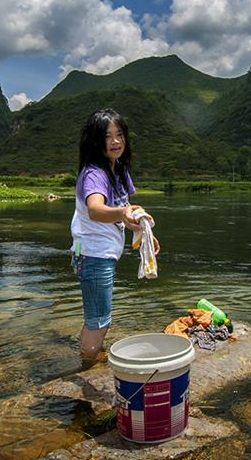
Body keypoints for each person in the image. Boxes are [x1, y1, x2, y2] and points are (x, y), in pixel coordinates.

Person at [70, 108, 160, 363]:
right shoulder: (95, 173)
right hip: (93, 254)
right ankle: (88, 364)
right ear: (95, 141)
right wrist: (123, 213)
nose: (116, 141)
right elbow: (97, 210)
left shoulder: (118, 169)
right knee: (98, 320)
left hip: (100, 253)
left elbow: (124, 213)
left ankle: (90, 357)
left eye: (119, 135)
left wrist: (144, 233)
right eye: (108, 136)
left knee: (99, 316)